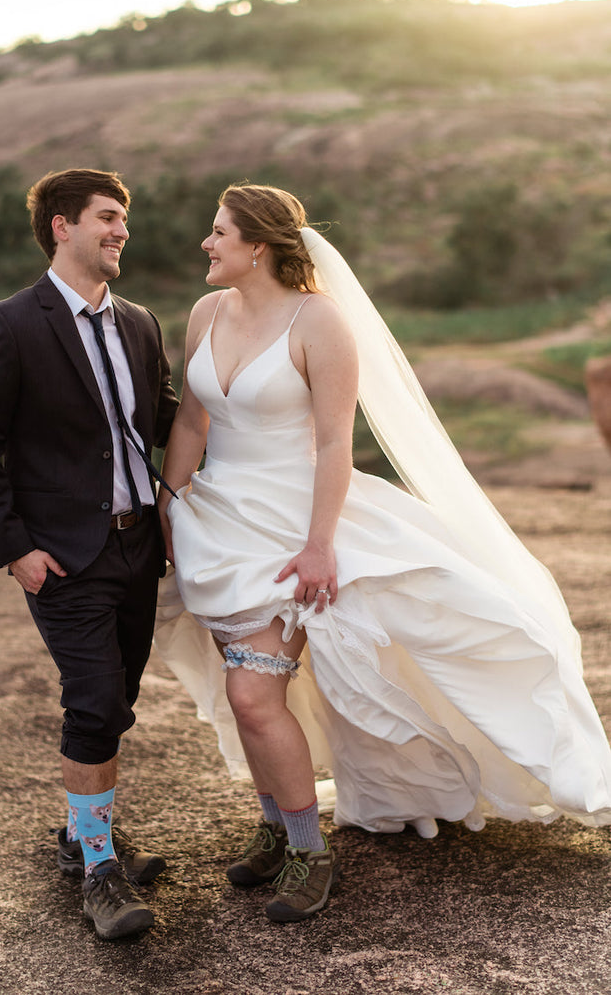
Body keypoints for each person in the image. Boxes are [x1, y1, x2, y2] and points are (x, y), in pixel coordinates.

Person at [155, 182, 611, 924]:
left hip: (296, 524)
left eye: (218, 232)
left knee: (251, 694)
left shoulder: (319, 320)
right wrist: (170, 503)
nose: (206, 244)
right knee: (246, 690)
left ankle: (309, 853)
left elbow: (337, 440)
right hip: (219, 525)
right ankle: (274, 829)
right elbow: (192, 424)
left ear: (257, 245)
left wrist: (319, 546)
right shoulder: (206, 313)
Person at [0, 168, 179, 941]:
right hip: (63, 557)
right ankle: (99, 873)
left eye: (124, 218)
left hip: (139, 547)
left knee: (117, 701)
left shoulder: (141, 323)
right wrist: (14, 547)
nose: (122, 230)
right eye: (108, 216)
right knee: (94, 702)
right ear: (62, 226)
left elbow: (166, 420)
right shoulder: (10, 323)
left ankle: (84, 834)